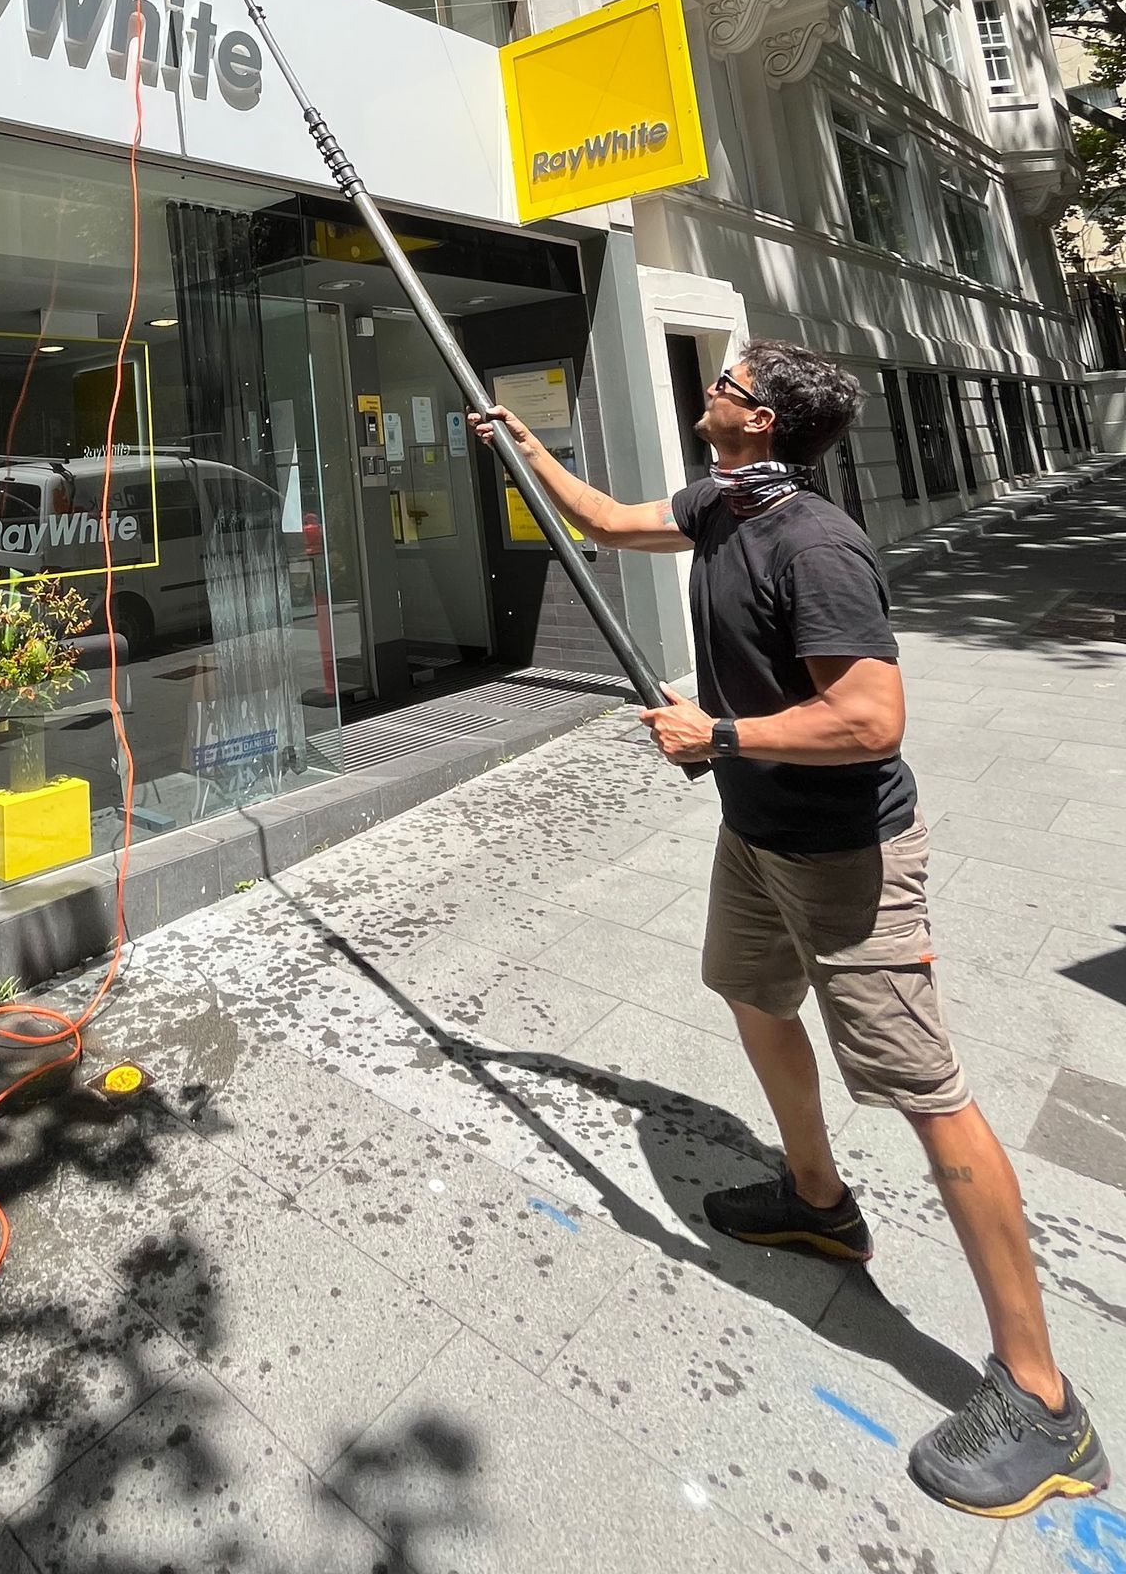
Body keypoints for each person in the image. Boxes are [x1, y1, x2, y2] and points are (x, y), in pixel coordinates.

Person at [471, 341, 1109, 1520]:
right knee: (751, 993)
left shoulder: (815, 543)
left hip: (847, 855)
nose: (709, 388)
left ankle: (1045, 1396)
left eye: (727, 381)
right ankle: (819, 1202)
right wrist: (521, 449)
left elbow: (870, 716)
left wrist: (721, 736)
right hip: (755, 836)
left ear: (760, 422)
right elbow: (611, 521)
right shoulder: (726, 499)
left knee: (927, 1088)